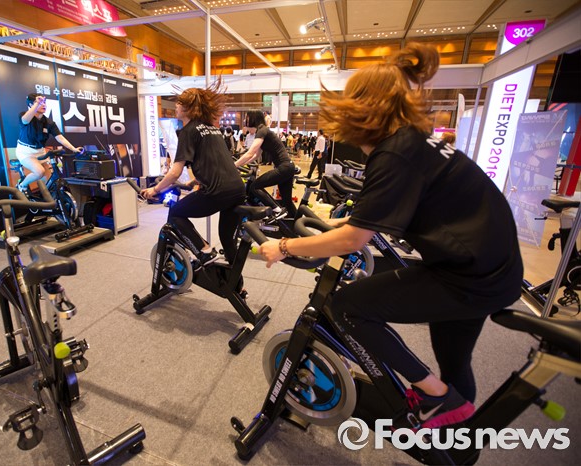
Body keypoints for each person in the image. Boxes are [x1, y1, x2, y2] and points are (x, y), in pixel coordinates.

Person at [258, 43, 523, 430]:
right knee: (454, 365)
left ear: (360, 110)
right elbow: (376, 218)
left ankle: (435, 397)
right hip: (490, 269)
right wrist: (338, 227)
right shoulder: (412, 141)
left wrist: (283, 246)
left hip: (470, 276)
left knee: (348, 307)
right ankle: (455, 441)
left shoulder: (394, 152)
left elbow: (353, 240)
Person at [140, 81, 246, 265]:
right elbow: (215, 162)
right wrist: (195, 181)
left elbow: (175, 172)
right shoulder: (212, 129)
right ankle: (234, 281)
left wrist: (154, 190)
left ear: (189, 108)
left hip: (216, 192)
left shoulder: (188, 131)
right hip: (237, 189)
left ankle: (204, 251)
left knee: (176, 213)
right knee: (227, 239)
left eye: (180, 103)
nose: (176, 106)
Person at [234, 110, 297, 219]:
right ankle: (297, 223)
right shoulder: (263, 130)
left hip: (284, 167)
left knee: (255, 187)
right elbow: (256, 155)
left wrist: (233, 165)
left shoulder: (261, 131)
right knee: (287, 201)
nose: (245, 120)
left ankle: (277, 210)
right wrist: (241, 164)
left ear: (253, 118)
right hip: (288, 167)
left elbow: (250, 153)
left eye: (247, 118)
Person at [16, 93, 83, 193]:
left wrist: (74, 149)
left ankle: (46, 199)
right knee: (39, 172)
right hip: (25, 152)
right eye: (39, 103)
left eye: (44, 102)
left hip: (40, 152)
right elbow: (25, 121)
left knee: (48, 181)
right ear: (30, 105)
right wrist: (37, 103)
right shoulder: (25, 116)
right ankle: (22, 185)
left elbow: (60, 138)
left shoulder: (49, 123)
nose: (43, 105)